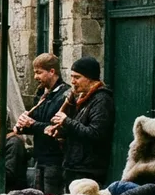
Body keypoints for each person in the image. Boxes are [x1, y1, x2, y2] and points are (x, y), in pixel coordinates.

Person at [49, 56, 115, 186]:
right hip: (74, 166)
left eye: (77, 77)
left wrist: (66, 121)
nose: (72, 81)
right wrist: (61, 132)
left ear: (90, 78)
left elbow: (95, 133)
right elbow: (77, 129)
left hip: (89, 170)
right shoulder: (82, 99)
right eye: (72, 77)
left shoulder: (101, 100)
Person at [15, 54, 71, 195]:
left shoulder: (64, 96)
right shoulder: (42, 94)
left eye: (39, 72)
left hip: (55, 159)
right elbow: (36, 124)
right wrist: (23, 125)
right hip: (40, 158)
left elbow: (54, 128)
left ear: (52, 71)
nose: (35, 77)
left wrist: (32, 124)